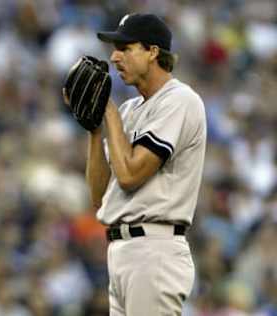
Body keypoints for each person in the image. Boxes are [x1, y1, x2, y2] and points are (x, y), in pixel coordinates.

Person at [84, 13, 207, 315]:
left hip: (154, 250)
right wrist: (94, 128)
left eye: (125, 48)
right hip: (123, 252)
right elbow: (100, 196)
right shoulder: (128, 110)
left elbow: (129, 176)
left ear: (153, 52)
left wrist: (108, 111)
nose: (114, 57)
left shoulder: (179, 100)